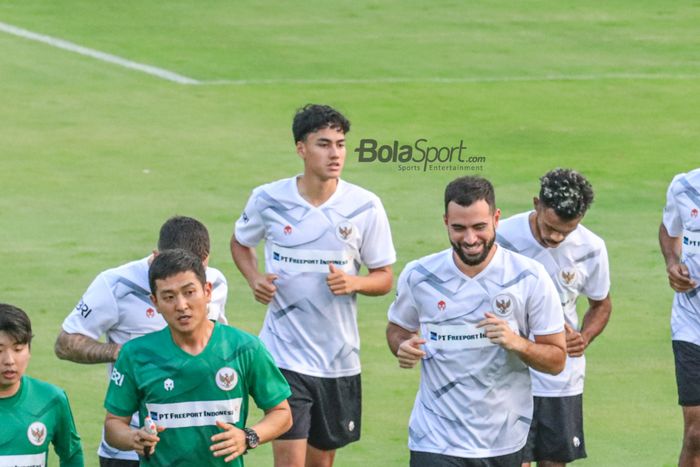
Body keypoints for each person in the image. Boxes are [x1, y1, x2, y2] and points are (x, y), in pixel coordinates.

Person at [230, 104, 396, 467]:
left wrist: (354, 282)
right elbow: (240, 242)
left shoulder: (365, 206)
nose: (335, 153)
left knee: (320, 463)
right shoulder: (268, 199)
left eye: (340, 144)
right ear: (301, 148)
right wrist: (254, 277)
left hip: (338, 359)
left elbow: (385, 277)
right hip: (283, 354)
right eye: (324, 144)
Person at [386, 176, 566, 467]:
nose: (469, 239)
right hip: (434, 438)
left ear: (496, 218)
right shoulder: (419, 275)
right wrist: (402, 345)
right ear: (446, 221)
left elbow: (557, 359)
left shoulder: (529, 277)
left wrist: (517, 343)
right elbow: (397, 328)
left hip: (504, 439)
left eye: (479, 227)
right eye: (459, 228)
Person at [55, 215, 228, 467]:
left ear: (205, 262)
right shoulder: (115, 285)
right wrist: (121, 352)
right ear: (156, 256)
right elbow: (65, 343)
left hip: (196, 445)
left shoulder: (215, 282)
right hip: (130, 449)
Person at [103, 248, 292, 466]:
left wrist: (247, 437)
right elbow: (114, 424)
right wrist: (132, 438)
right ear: (155, 302)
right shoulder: (136, 354)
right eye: (169, 297)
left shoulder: (245, 348)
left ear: (207, 291)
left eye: (189, 292)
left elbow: (282, 413)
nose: (181, 305)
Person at [495, 168, 612, 467]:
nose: (555, 236)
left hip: (560, 378)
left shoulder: (592, 248)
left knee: (553, 462)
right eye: (550, 227)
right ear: (537, 204)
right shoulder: (502, 239)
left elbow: (601, 304)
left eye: (567, 230)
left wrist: (584, 337)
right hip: (508, 374)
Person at [0, 303, 84, 466]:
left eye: (18, 349)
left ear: (29, 351)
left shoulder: (51, 399)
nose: (9, 361)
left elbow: (72, 454)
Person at [659, 167, 700, 467]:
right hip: (691, 324)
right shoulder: (684, 186)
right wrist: (672, 263)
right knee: (696, 434)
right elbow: (668, 229)